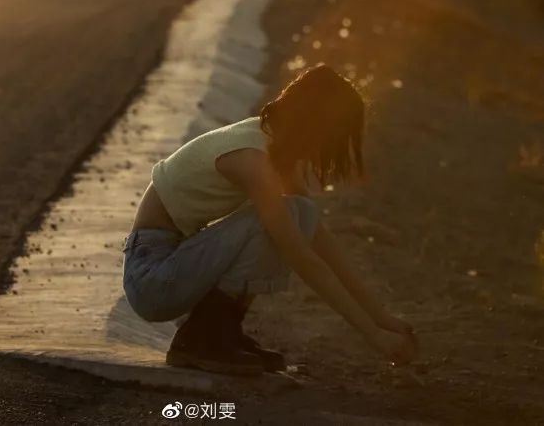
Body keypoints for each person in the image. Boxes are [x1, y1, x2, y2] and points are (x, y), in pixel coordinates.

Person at [122, 64, 417, 375]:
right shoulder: (252, 158)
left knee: (301, 211)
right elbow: (303, 258)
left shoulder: (273, 150)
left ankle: (222, 332)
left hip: (176, 265)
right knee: (279, 220)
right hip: (152, 277)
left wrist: (382, 320)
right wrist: (372, 337)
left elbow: (323, 245)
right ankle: (201, 338)